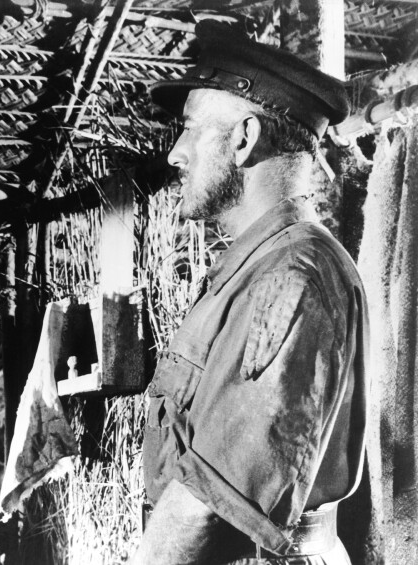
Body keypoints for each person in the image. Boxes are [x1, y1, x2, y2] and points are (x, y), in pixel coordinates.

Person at [131, 21, 368, 564]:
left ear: (244, 139)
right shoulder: (260, 264)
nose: (176, 154)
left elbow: (205, 505)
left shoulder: (290, 275)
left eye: (190, 129)